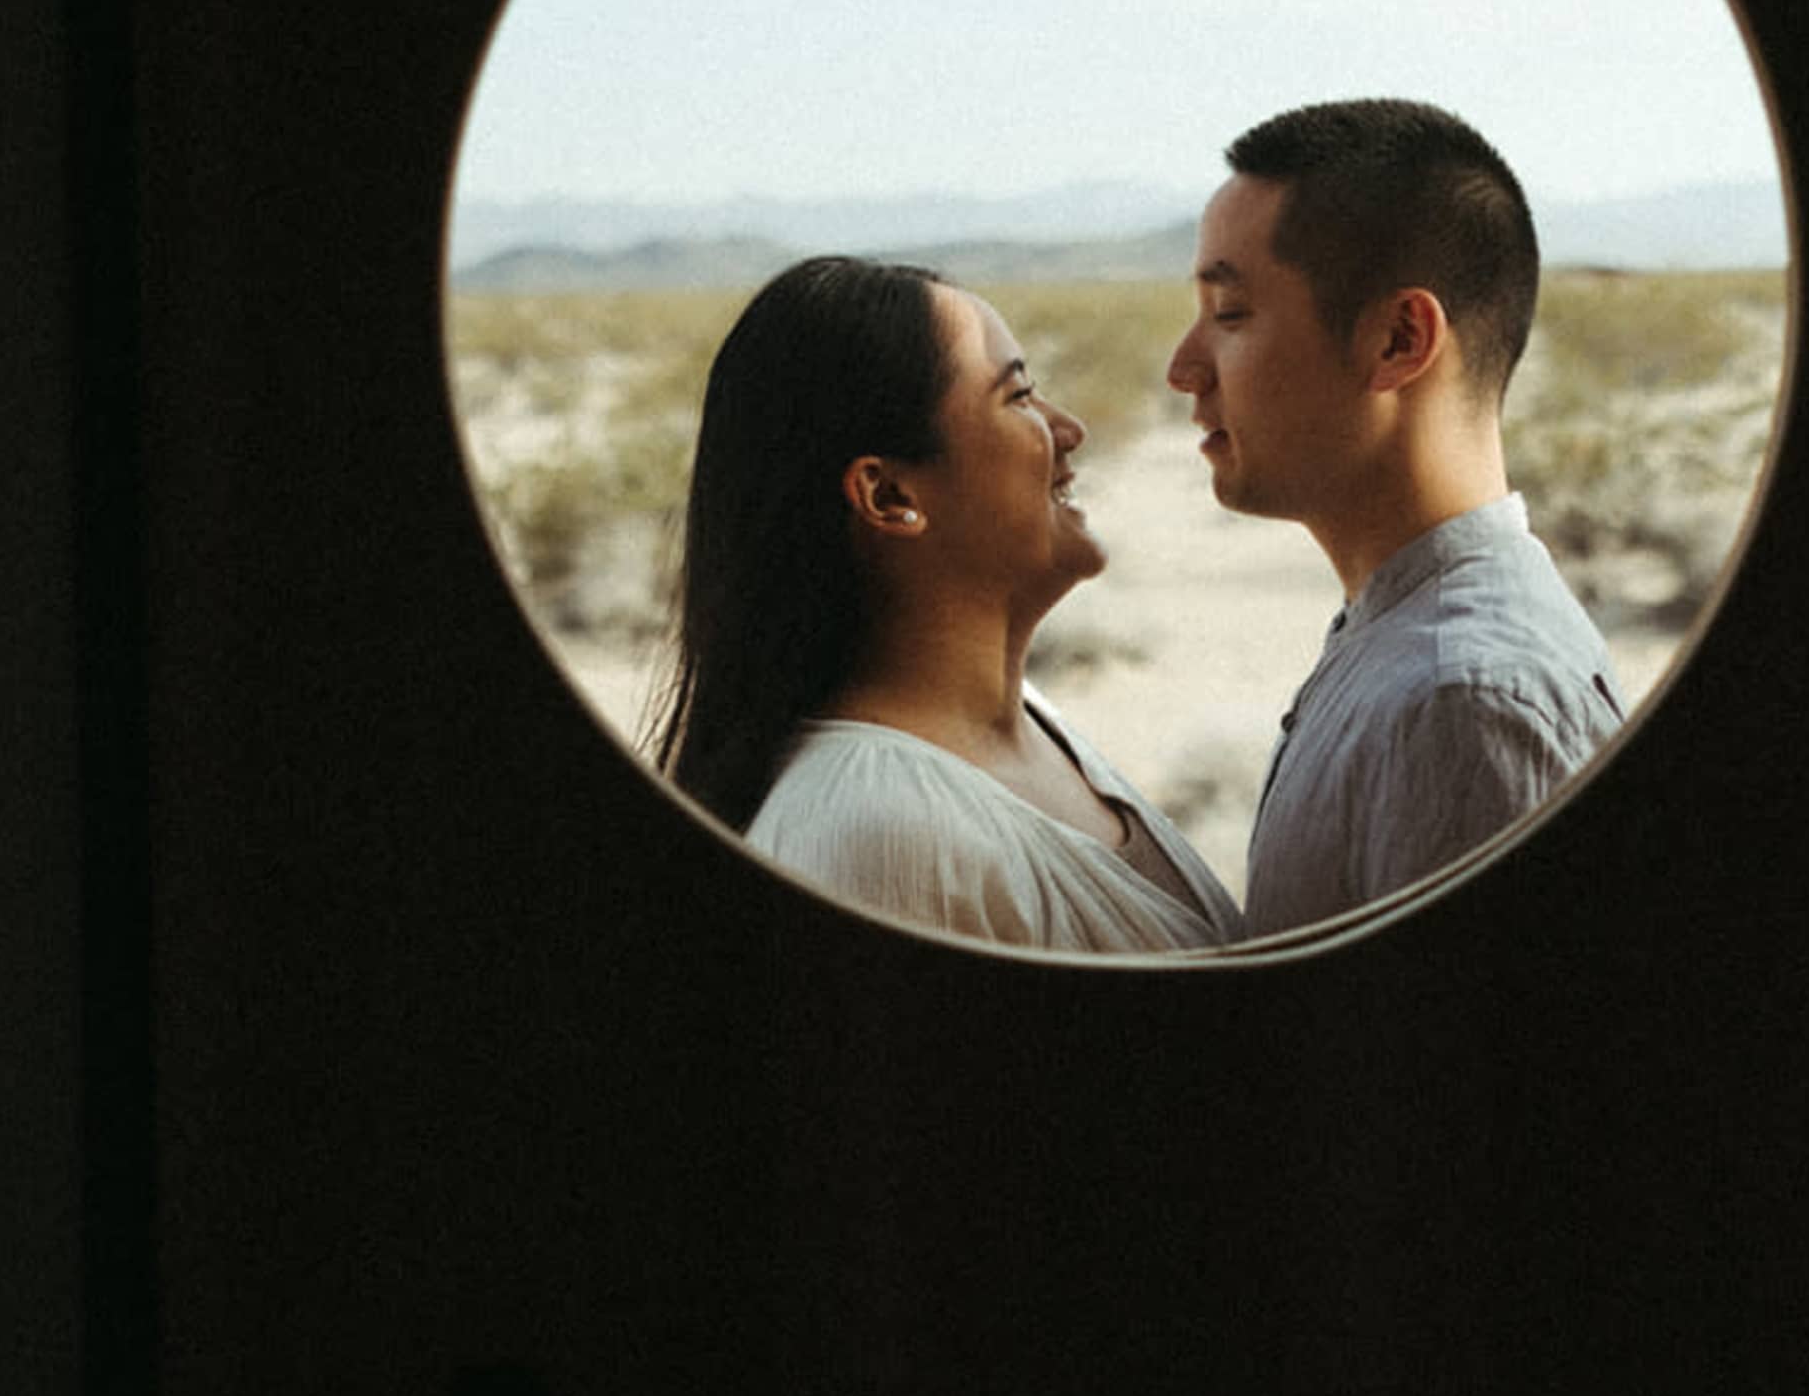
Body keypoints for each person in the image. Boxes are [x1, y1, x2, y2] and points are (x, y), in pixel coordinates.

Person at [649, 254, 1241, 955]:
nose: (1069, 427)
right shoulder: (877, 838)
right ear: (891, 497)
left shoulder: (1026, 721)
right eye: (1018, 397)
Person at [1164, 99, 1623, 932]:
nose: (1184, 368)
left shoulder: (1462, 702)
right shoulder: (1407, 641)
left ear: (1399, 340)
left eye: (1230, 313)